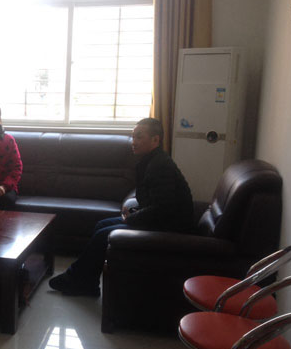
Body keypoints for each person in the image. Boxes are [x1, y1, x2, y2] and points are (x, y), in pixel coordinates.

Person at [49, 117, 193, 297]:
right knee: (101, 225)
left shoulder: (160, 166)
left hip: (168, 228)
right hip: (159, 220)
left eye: (139, 137)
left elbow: (163, 208)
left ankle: (77, 279)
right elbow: (153, 202)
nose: (134, 142)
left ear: (155, 140)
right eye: (133, 137)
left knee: (104, 234)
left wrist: (132, 217)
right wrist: (134, 211)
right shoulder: (150, 161)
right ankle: (87, 282)